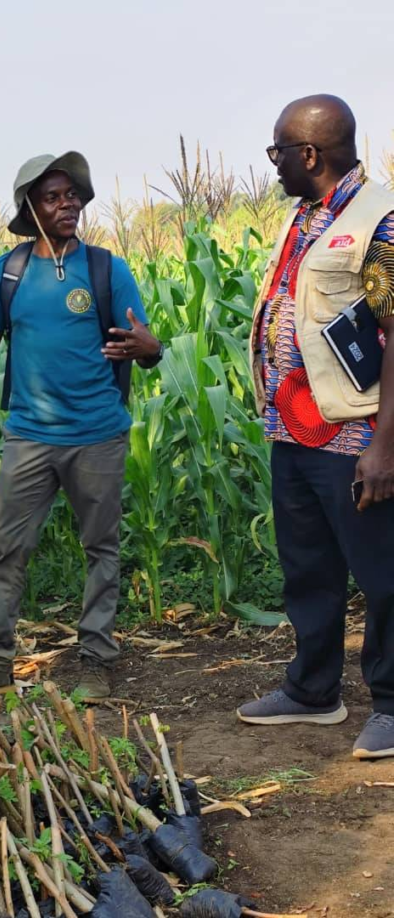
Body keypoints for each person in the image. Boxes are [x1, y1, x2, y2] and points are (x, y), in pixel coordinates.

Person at [0, 152, 163, 702]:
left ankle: (96, 660)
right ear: (30, 208)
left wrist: (148, 349)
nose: (69, 204)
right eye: (54, 196)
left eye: (73, 194)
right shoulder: (5, 274)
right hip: (29, 436)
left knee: (101, 548)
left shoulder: (107, 269)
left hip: (99, 433)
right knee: (6, 550)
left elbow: (145, 344)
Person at [238, 96, 394, 759]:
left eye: (278, 153)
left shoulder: (380, 221)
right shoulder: (303, 218)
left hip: (355, 434)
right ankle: (313, 691)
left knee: (383, 573)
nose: (272, 165)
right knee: (308, 568)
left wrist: (385, 445)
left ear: (310, 155)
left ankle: (391, 702)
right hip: (293, 428)